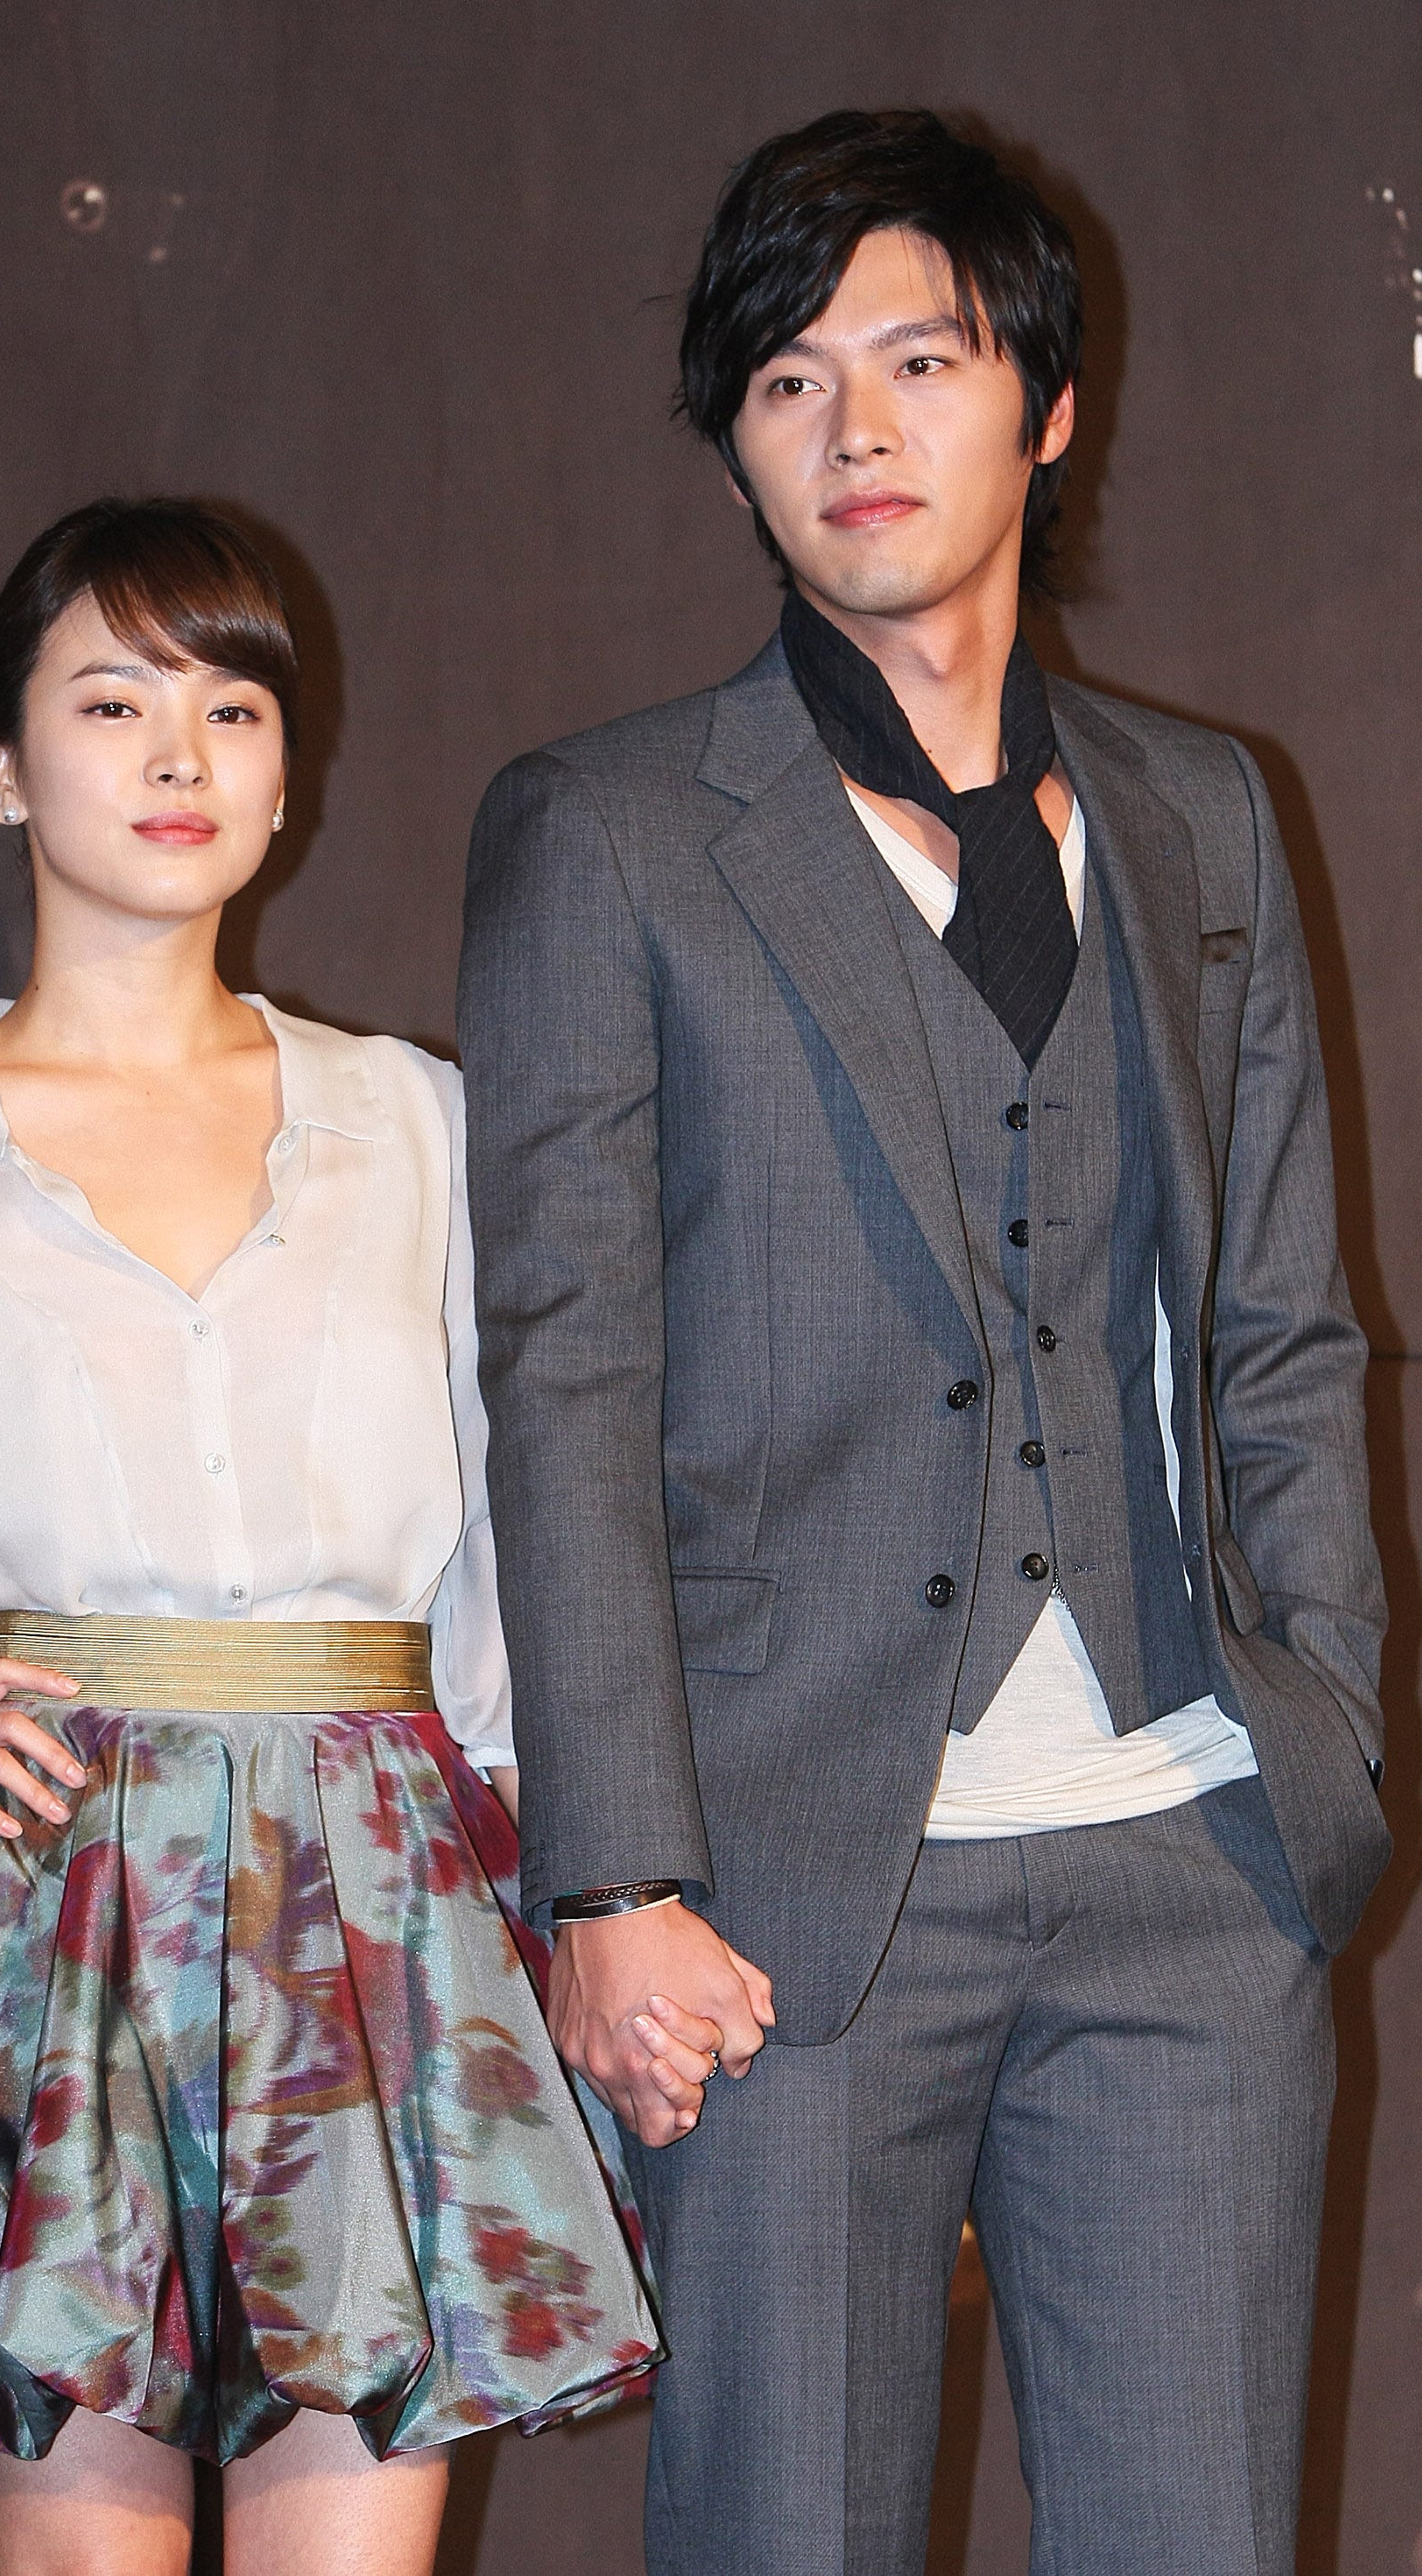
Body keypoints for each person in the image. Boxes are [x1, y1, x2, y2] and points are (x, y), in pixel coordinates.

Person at [457, 109, 1388, 2576]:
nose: (852, 428)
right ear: (736, 451)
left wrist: (1322, 1727)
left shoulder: (1199, 811)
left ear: (1044, 407)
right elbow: (564, 1372)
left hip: (1192, 1854)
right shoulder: (611, 830)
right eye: (786, 382)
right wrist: (614, 1873)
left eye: (917, 359)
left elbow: (1283, 1325)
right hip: (786, 1898)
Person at [0, 496, 658, 2576]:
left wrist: (558, 1874)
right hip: (55, 1909)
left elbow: (539, 1535)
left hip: (380, 1912)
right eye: (112, 701)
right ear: (2, 765)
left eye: (232, 707)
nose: (180, 755)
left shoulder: (414, 1124)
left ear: (285, 775)